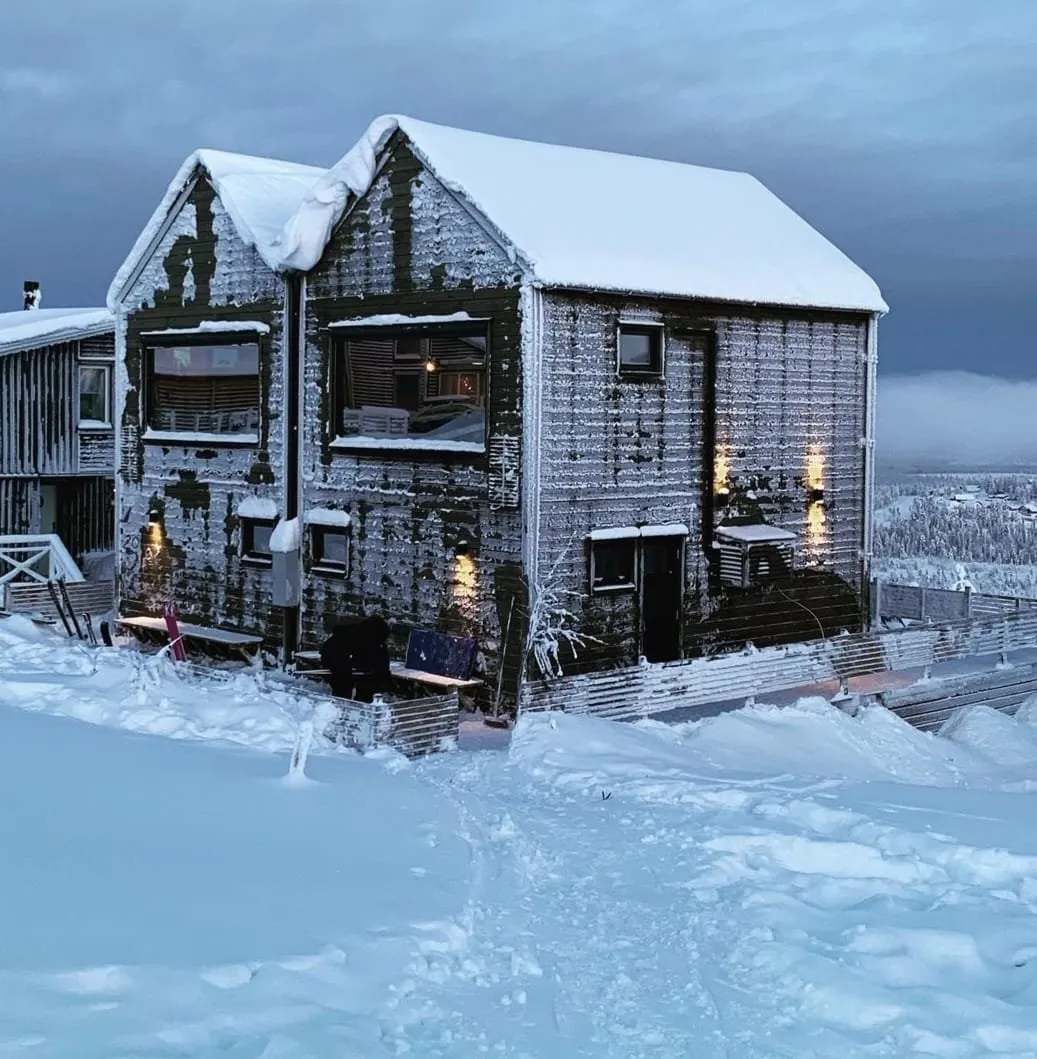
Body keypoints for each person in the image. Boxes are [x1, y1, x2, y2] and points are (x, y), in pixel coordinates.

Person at [319, 615, 392, 702]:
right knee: (344, 683)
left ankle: (361, 700)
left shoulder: (374, 642)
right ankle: (341, 705)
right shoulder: (351, 635)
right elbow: (337, 658)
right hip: (336, 658)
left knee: (367, 681)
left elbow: (380, 663)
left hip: (357, 666)